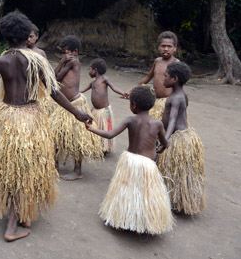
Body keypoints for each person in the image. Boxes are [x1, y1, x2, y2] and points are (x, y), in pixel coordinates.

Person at [0, 11, 93, 242]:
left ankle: (24, 214)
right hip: (31, 120)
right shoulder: (37, 60)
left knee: (13, 168)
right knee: (25, 169)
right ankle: (12, 226)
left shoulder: (1, 60)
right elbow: (54, 92)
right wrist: (78, 113)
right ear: (27, 36)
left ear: (5, 37)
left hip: (7, 119)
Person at [86, 86, 174, 235]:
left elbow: (109, 134)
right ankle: (141, 224)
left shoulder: (129, 120)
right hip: (147, 164)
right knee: (145, 194)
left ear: (133, 104)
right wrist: (163, 147)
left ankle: (124, 219)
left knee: (126, 189)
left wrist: (91, 128)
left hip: (129, 161)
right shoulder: (157, 124)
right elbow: (164, 142)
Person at [50, 36, 103, 180]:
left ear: (75, 51)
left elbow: (56, 78)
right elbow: (53, 78)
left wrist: (62, 62)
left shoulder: (74, 62)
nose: (64, 55)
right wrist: (62, 61)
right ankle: (54, 165)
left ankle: (77, 170)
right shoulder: (67, 61)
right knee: (55, 134)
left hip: (75, 104)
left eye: (66, 52)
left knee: (76, 139)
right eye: (62, 53)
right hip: (65, 105)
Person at [157, 62, 206, 215]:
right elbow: (185, 110)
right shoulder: (182, 94)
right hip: (186, 135)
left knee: (175, 171)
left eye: (166, 76)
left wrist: (165, 141)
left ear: (175, 79)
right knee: (181, 172)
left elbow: (172, 120)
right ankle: (178, 201)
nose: (163, 79)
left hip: (178, 137)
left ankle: (175, 202)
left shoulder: (175, 98)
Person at [126, 31, 179, 121]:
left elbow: (179, 85)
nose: (166, 49)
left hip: (168, 103)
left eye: (169, 46)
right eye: (163, 46)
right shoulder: (157, 61)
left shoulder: (176, 63)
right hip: (155, 102)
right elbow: (148, 78)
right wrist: (133, 89)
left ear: (175, 48)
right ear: (158, 47)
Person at [80, 58, 126, 154]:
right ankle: (96, 145)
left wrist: (123, 93)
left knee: (104, 128)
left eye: (90, 69)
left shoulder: (104, 79)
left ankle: (104, 148)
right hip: (95, 111)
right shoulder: (92, 83)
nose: (89, 71)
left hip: (103, 111)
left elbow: (114, 88)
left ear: (95, 70)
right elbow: (80, 91)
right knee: (96, 127)